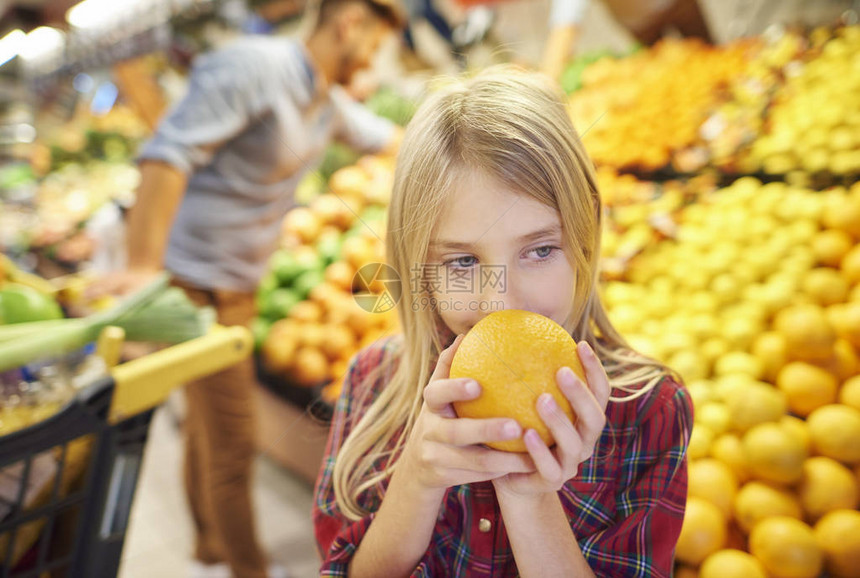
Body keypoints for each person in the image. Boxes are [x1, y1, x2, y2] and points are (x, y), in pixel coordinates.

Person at [312, 66, 693, 577]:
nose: (502, 301)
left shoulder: (649, 411)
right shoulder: (371, 382)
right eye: (463, 263)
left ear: (583, 244)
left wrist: (530, 496)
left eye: (538, 250)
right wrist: (417, 481)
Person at [96, 1, 405, 577]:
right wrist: (143, 267)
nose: (371, 63)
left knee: (205, 431)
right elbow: (167, 154)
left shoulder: (322, 102)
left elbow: (390, 138)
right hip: (195, 288)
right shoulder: (254, 67)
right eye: (374, 45)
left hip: (237, 285)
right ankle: (248, 569)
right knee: (235, 445)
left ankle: (208, 549)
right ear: (350, 23)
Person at [542, 0, 713, 80]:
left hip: (679, 5)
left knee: (709, 56)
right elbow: (565, 23)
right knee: (664, 74)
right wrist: (547, 81)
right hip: (640, 24)